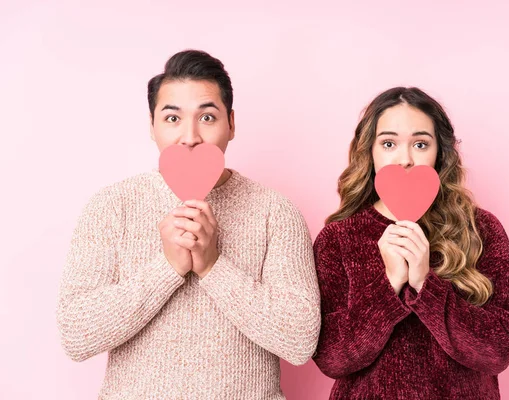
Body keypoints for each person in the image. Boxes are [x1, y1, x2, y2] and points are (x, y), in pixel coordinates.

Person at [56, 49, 320, 399]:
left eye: (207, 118)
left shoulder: (276, 212)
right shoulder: (111, 206)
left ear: (232, 124)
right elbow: (76, 336)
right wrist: (168, 268)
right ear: (152, 126)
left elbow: (300, 340)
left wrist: (213, 266)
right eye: (172, 118)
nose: (190, 136)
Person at [312, 87, 509, 399]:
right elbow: (332, 357)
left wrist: (425, 284)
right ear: (369, 151)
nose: (405, 158)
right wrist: (390, 284)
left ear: (440, 152)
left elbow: (497, 352)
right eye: (388, 143)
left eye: (420, 144)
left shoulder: (482, 230)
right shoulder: (338, 239)